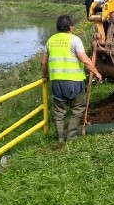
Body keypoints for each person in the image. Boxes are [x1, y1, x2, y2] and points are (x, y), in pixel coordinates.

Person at [40, 15, 102, 144]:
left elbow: (43, 62)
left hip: (56, 82)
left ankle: (60, 138)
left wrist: (44, 76)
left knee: (59, 111)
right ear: (71, 27)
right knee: (77, 108)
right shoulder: (75, 40)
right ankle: (71, 135)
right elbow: (85, 60)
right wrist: (96, 73)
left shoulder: (50, 40)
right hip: (74, 81)